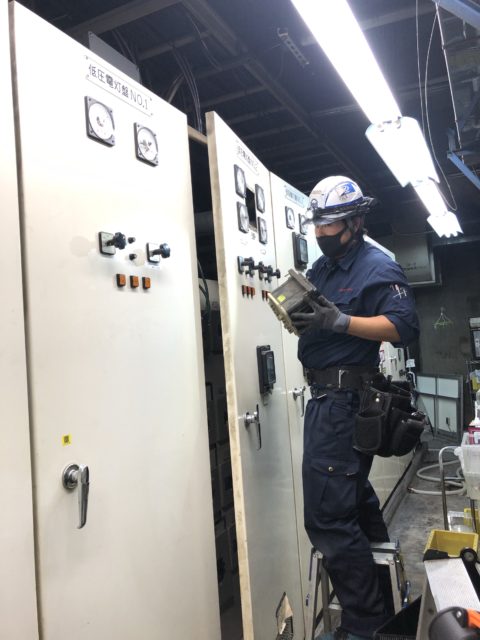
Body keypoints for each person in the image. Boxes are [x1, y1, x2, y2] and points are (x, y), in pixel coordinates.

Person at [290, 176, 419, 640]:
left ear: (356, 222)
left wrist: (341, 321)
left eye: (330, 225)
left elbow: (403, 327)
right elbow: (320, 316)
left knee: (327, 517)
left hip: (344, 403)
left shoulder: (376, 265)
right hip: (324, 400)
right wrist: (305, 319)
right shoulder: (323, 267)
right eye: (317, 226)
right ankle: (382, 615)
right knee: (353, 499)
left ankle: (364, 626)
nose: (321, 233)